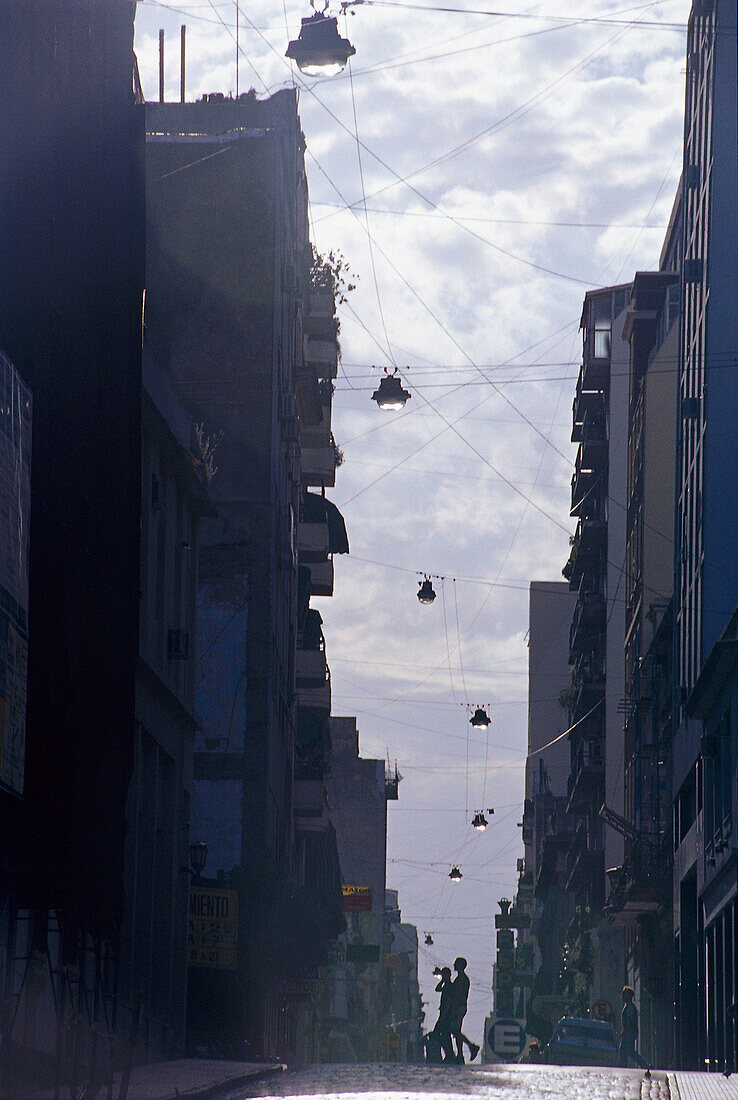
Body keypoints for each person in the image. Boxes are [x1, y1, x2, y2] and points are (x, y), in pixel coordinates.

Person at [450, 957, 480, 1063]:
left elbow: (457, 995)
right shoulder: (461, 978)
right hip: (460, 1007)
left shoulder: (461, 979)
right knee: (456, 1031)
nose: (453, 964)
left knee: (455, 1031)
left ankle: (471, 1046)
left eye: (456, 963)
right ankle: (460, 1054)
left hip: (458, 1007)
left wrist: (453, 1010)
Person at [619, 986, 649, 1069]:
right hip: (629, 1031)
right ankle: (623, 1066)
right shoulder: (628, 1006)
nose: (622, 996)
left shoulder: (630, 1006)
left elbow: (629, 1020)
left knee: (629, 1051)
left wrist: (624, 1031)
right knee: (624, 1050)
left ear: (628, 995)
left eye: (624, 994)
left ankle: (645, 1064)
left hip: (629, 1031)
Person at [432, 967, 457, 1062]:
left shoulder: (450, 986)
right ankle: (449, 1054)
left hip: (446, 1014)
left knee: (439, 1034)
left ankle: (450, 1055)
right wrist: (442, 980)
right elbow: (437, 989)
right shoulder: (446, 985)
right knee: (445, 1035)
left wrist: (444, 1014)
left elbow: (449, 1001)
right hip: (443, 1013)